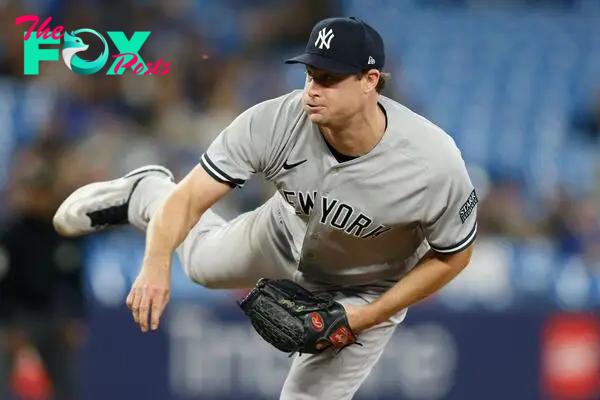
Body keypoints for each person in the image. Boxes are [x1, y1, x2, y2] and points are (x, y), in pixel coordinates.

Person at [53, 16, 478, 400]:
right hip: (283, 233)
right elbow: (189, 199)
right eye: (311, 74)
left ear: (370, 80)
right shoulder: (274, 121)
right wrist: (156, 260)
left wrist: (366, 316)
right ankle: (147, 192)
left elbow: (454, 255)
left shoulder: (432, 163)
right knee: (198, 264)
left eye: (329, 79)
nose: (312, 90)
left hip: (367, 287)